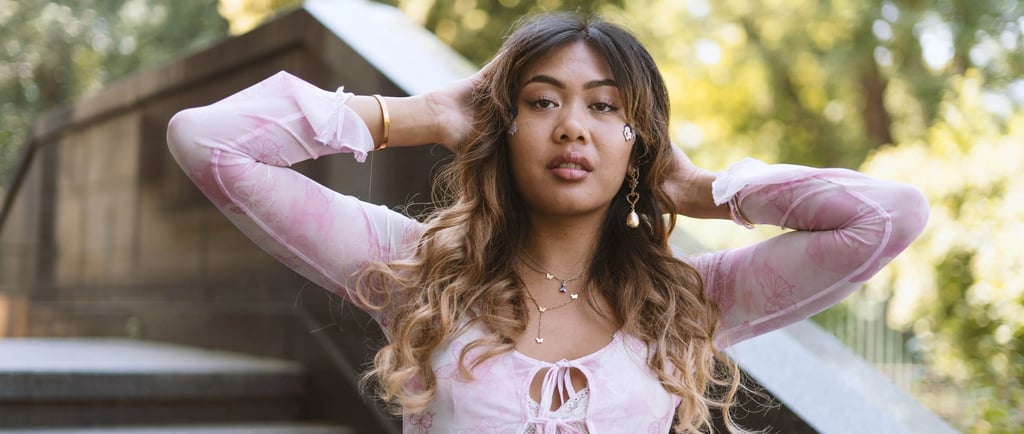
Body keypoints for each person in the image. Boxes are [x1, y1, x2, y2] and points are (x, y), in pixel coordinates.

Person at [166, 12, 929, 434]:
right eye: (541, 101)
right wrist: (418, 114)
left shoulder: (687, 302)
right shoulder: (418, 271)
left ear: (637, 142)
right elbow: (207, 143)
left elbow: (888, 217)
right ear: (503, 126)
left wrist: (701, 189)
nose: (571, 126)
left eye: (604, 106)